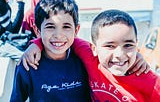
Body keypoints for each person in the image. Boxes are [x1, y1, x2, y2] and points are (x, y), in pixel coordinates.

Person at [20, 9, 159, 101]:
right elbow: (66, 39)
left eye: (128, 45)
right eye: (110, 46)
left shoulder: (151, 82)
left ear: (137, 45)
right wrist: (36, 43)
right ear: (94, 48)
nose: (120, 55)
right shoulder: (90, 58)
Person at [10, 0, 91, 101]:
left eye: (66, 27)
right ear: (37, 31)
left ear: (76, 30)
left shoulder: (84, 61)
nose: (58, 35)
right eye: (50, 27)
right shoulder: (27, 64)